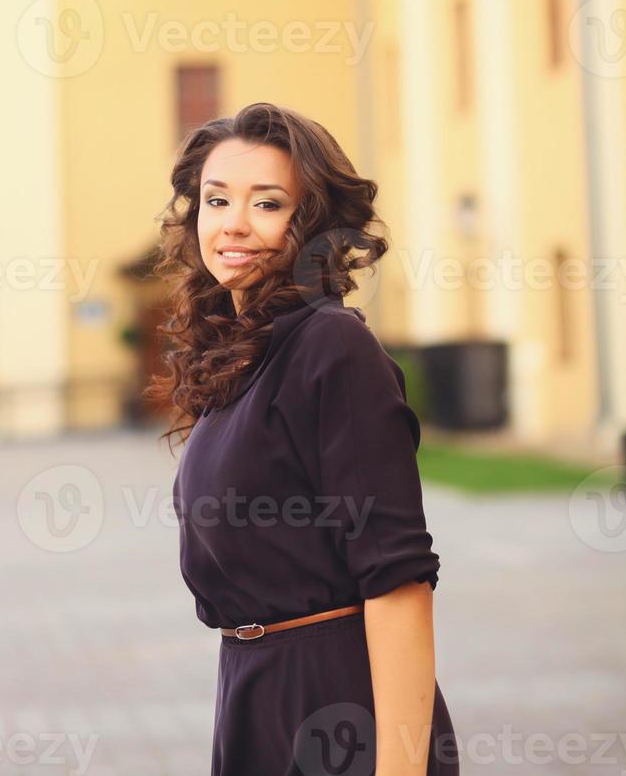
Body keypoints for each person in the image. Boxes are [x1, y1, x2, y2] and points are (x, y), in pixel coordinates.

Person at [148, 102, 460, 775]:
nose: (232, 223)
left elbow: (397, 574)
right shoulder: (237, 361)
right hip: (251, 691)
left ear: (310, 224)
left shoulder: (331, 346)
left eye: (266, 204)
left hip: (336, 708)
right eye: (215, 199)